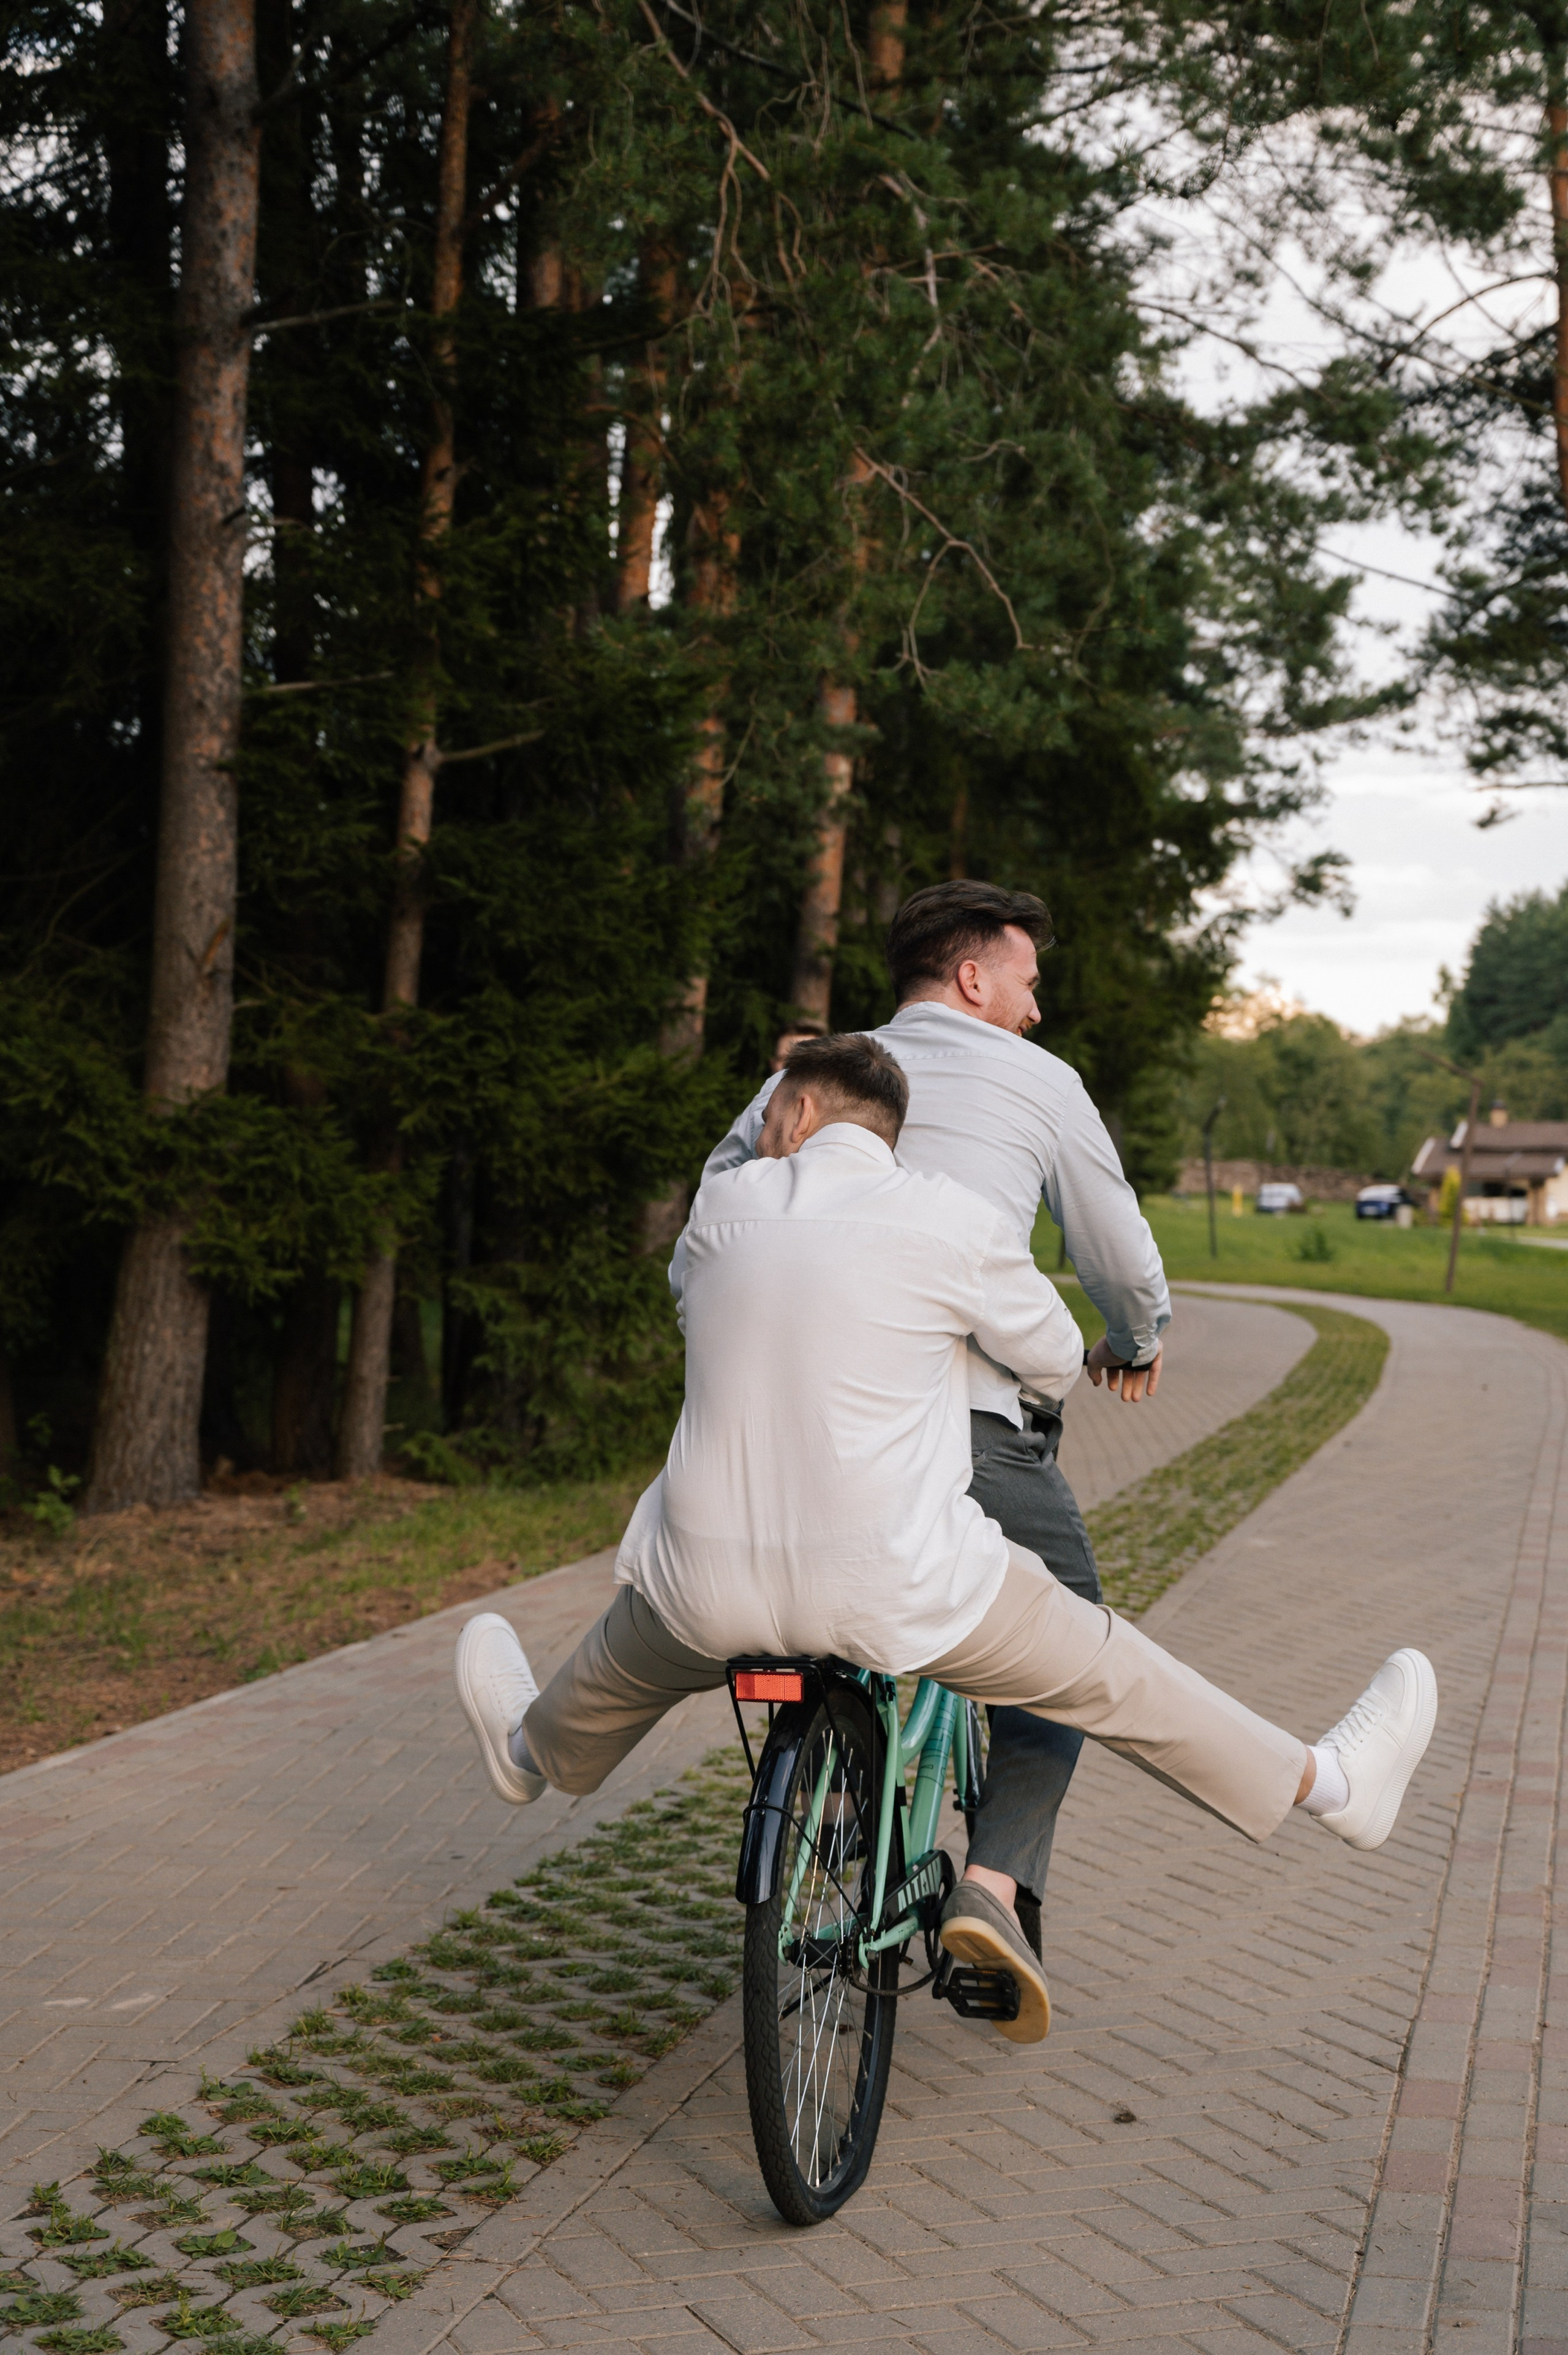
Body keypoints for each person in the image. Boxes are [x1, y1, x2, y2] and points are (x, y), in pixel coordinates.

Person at [455, 1034, 1436, 2045]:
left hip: (705, 1594)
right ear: (892, 1134)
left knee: (612, 1669)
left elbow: (710, 1224)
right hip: (899, 1587)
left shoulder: (720, 1212)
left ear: (790, 1116)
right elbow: (1055, 1356)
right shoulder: (947, 1219)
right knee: (1112, 1669)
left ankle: (531, 1752)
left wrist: (772, 1101)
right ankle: (1333, 1787)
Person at [701, 881, 1167, 1959]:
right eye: (1027, 982)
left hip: (798, 1430)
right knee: (1072, 1647)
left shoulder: (816, 1074)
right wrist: (1135, 1342)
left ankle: (826, 1797)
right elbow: (1118, 1256)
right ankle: (994, 1891)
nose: (1036, 1009)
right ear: (972, 976)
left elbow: (723, 1190)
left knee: (819, 1612)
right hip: (965, 1429)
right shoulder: (1040, 1081)